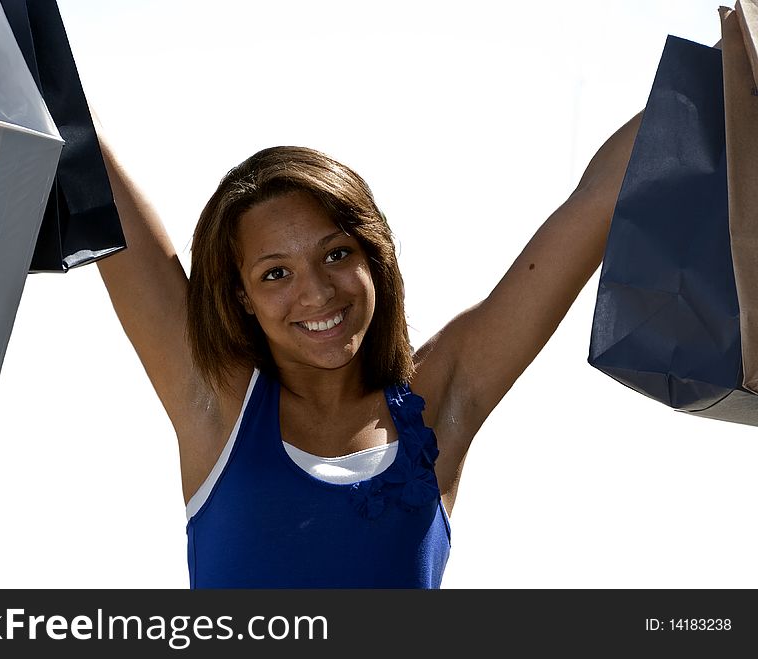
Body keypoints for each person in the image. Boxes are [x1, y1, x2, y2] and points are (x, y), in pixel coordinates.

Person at [93, 110, 642, 588]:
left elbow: (597, 201)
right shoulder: (215, 405)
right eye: (276, 273)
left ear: (371, 255)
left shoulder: (438, 403)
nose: (317, 293)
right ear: (243, 297)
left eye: (335, 254)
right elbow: (85, 150)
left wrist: (727, 55)